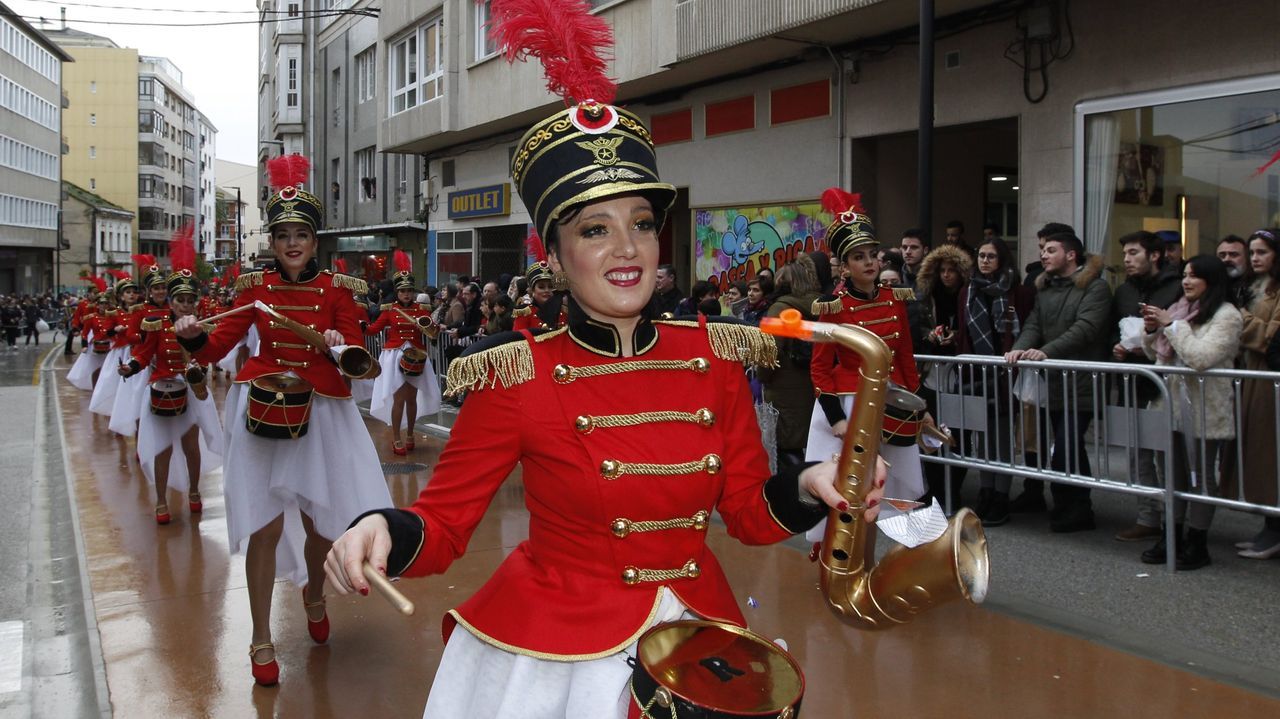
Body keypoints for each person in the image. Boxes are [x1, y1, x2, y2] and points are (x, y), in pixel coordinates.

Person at [324, 16, 882, 715]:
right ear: (554, 257)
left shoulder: (712, 354)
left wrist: (810, 482)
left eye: (641, 222)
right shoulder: (515, 375)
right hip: (559, 657)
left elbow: (744, 513)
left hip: (694, 635)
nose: (627, 248)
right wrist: (381, 526)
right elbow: (443, 525)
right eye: (595, 229)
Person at [173, 154, 393, 686]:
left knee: (321, 524)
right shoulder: (253, 290)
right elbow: (218, 344)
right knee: (264, 528)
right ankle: (260, 635)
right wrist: (190, 334)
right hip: (263, 410)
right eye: (282, 235)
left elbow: (358, 351)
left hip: (322, 414)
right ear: (272, 243)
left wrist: (343, 344)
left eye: (301, 234)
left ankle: (314, 595)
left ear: (315, 241)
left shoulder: (341, 290)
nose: (292, 243)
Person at [806, 187, 924, 517]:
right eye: (859, 257)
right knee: (850, 491)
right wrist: (836, 419)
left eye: (872, 254)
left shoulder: (895, 298)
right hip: (850, 404)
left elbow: (905, 358)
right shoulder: (832, 307)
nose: (869, 262)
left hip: (894, 403)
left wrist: (920, 406)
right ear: (844, 266)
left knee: (889, 496)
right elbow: (819, 369)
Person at [1138, 255, 1241, 569]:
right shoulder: (1181, 309)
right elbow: (1157, 355)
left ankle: (1197, 542)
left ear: (1212, 279)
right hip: (1170, 405)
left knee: (1200, 477)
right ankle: (1172, 535)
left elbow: (1200, 357)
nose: (1186, 281)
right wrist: (1151, 331)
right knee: (1170, 474)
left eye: (1194, 276)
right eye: (1184, 274)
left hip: (1204, 409)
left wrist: (1171, 326)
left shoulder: (1227, 314)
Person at [1004, 232, 1111, 532]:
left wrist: (1045, 352)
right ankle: (1066, 505)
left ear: (1071, 255)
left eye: (1051, 250)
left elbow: (1086, 328)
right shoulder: (1046, 288)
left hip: (1082, 382)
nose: (1044, 255)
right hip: (1053, 382)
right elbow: (1034, 324)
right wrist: (1019, 348)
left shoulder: (1096, 288)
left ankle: (1078, 507)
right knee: (1062, 448)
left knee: (1067, 446)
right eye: (1043, 250)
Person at [121, 255, 223, 526]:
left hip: (191, 390)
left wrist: (200, 371)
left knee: (191, 446)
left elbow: (208, 356)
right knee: (162, 449)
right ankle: (161, 500)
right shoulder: (156, 324)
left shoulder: (202, 327)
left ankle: (193, 490)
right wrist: (130, 367)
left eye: (190, 300)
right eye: (180, 300)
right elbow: (143, 354)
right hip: (162, 386)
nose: (186, 305)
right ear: (171, 301)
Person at [955, 238, 1033, 526]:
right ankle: (985, 490)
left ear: (1003, 260)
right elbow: (964, 331)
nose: (985, 261)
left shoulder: (1018, 292)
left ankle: (1001, 495)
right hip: (977, 371)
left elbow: (1023, 327)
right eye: (981, 255)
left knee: (1001, 437)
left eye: (991, 256)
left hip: (1005, 371)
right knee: (982, 436)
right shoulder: (967, 291)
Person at [1110, 231, 1183, 543]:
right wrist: (1117, 348)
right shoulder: (1124, 291)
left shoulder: (1177, 286)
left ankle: (1174, 521)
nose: (1127, 259)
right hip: (1133, 380)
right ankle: (1147, 517)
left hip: (1167, 383)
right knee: (1137, 454)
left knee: (1168, 456)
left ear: (1154, 255)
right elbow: (1114, 329)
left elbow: (1183, 330)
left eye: (1134, 253)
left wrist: (1153, 343)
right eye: (1125, 253)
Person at [1224, 228, 1280, 559]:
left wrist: (1238, 317)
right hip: (1249, 376)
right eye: (1253, 252)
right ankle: (1268, 525)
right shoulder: (1249, 287)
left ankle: (1274, 530)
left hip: (1266, 378)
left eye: (1263, 252)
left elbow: (1268, 338)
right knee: (1254, 454)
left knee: (1267, 454)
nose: (1256, 258)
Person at [363, 254, 442, 456]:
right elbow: (373, 329)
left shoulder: (421, 309)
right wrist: (361, 325)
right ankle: (397, 436)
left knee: (412, 399)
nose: (406, 294)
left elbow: (432, 333)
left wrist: (434, 328)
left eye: (409, 291)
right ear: (397, 292)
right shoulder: (389, 310)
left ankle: (410, 434)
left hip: (416, 356)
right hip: (394, 356)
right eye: (403, 291)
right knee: (399, 399)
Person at [914, 244, 973, 505]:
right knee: (930, 431)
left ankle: (954, 489)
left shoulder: (969, 295)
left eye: (952, 270)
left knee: (960, 435)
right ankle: (936, 488)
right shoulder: (927, 296)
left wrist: (957, 336)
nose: (946, 275)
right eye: (942, 271)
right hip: (932, 371)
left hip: (961, 374)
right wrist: (931, 334)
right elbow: (918, 326)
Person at [758, 256, 821, 466]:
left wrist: (762, 376)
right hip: (815, 387)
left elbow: (769, 352)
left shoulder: (781, 308)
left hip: (784, 389)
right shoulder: (823, 305)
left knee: (786, 449)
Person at [88, 271, 142, 419]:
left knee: (136, 386)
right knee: (116, 384)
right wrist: (115, 330)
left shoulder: (142, 311)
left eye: (134, 292)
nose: (132, 295)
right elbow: (105, 332)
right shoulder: (114, 313)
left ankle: (135, 414)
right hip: (120, 352)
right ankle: (116, 414)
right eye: (128, 292)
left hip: (137, 352)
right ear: (121, 296)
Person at [1023, 222, 1074, 289]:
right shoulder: (1033, 279)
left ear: (1070, 253)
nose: (1042, 254)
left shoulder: (1089, 282)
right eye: (1041, 248)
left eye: (1051, 250)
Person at [1217, 234, 1249, 306]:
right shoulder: (1209, 287)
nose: (1227, 259)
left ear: (1247, 258)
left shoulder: (1256, 288)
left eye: (1234, 255)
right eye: (1222, 255)